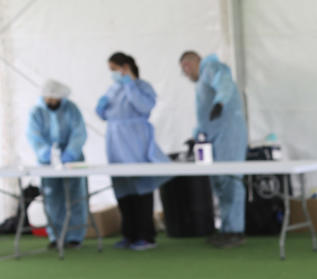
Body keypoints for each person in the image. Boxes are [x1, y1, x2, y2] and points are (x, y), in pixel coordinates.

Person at [95, 52, 168, 251]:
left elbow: (144, 106)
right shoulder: (113, 88)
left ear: (125, 67)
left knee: (140, 187)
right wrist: (101, 107)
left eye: (114, 69)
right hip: (115, 142)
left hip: (136, 141)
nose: (112, 74)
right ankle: (129, 233)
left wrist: (130, 85)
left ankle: (146, 235)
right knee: (123, 188)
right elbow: (104, 112)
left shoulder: (143, 87)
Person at [179, 51, 249, 248]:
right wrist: (197, 135)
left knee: (231, 180)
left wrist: (220, 102)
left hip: (228, 134)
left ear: (190, 63)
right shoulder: (202, 83)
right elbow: (204, 116)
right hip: (215, 137)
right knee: (220, 182)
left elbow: (224, 82)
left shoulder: (211, 67)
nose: (185, 73)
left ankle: (236, 230)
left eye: (185, 68)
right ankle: (227, 229)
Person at [26, 79, 88, 250]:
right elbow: (34, 136)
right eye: (48, 99)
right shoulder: (36, 112)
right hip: (47, 162)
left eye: (55, 99)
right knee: (52, 199)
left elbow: (79, 133)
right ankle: (55, 236)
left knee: (75, 196)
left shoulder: (71, 109)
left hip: (72, 160)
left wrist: (70, 153)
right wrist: (46, 154)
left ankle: (75, 236)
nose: (51, 102)